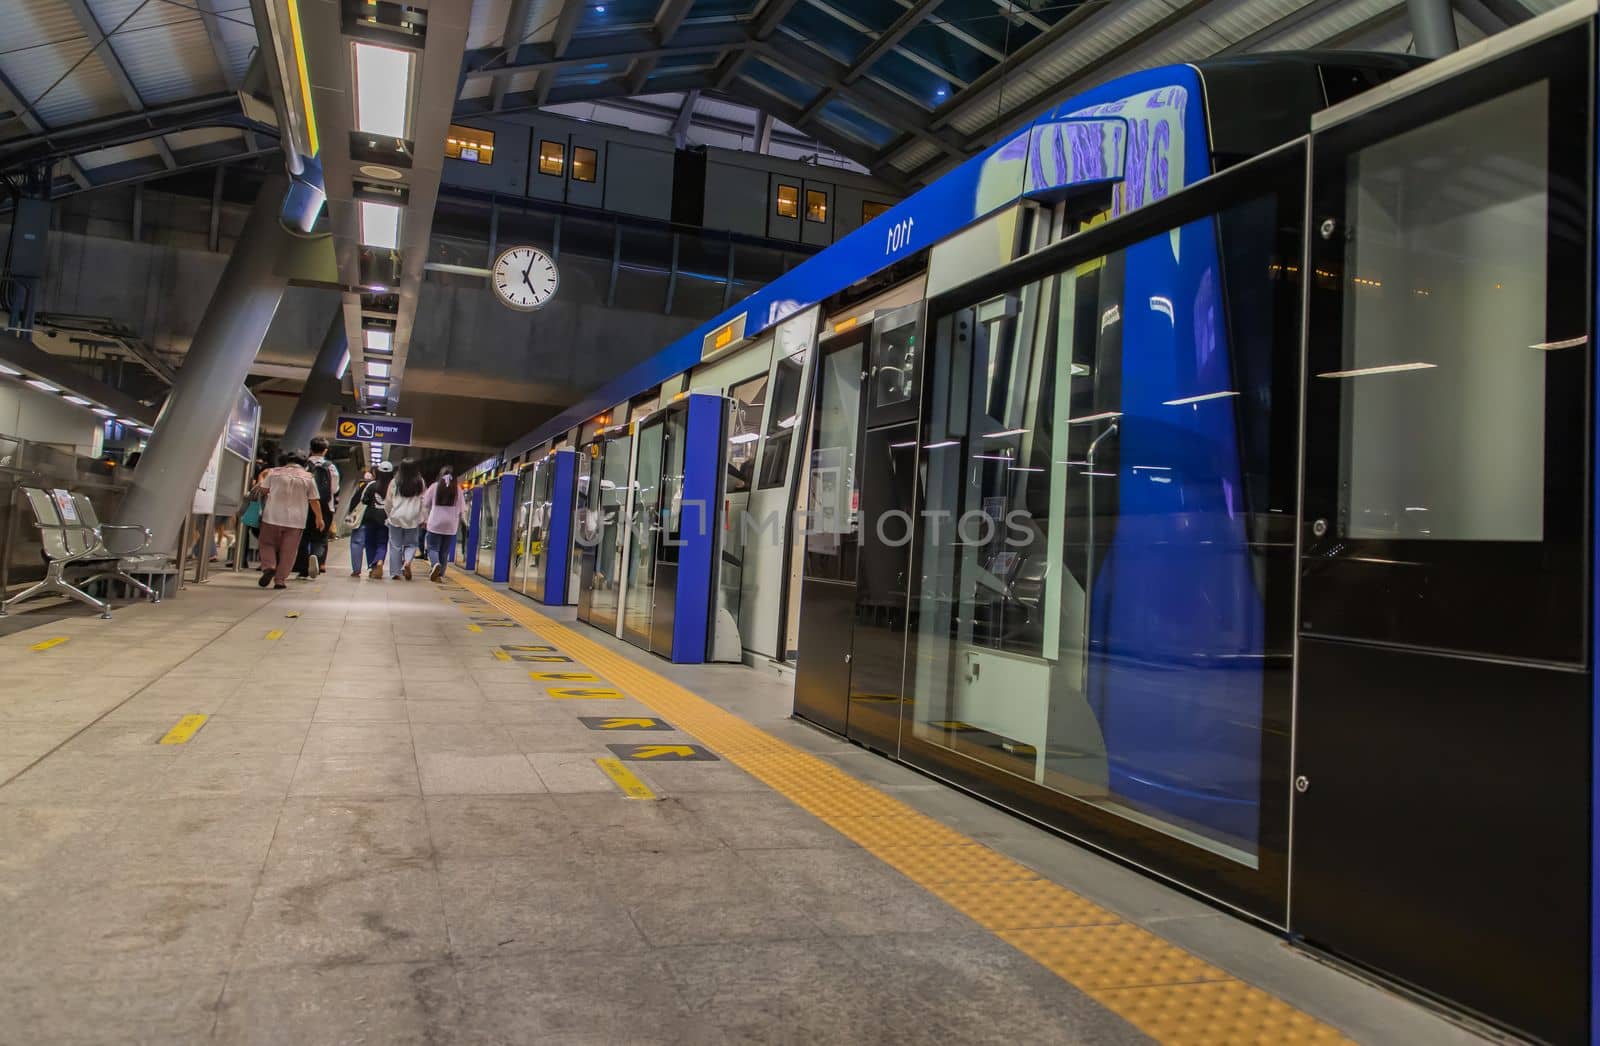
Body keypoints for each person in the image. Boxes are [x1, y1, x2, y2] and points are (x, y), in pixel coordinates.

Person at [254, 452, 323, 590]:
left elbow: (264, 490)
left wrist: (261, 477)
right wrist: (319, 518)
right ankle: (280, 580)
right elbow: (314, 500)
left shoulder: (274, 472)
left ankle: (269, 566)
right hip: (296, 520)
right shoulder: (308, 477)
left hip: (272, 516)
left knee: (266, 543)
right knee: (289, 551)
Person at [294, 436, 340, 580]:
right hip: (326, 506)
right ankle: (316, 557)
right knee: (320, 537)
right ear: (325, 451)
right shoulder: (331, 467)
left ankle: (302, 568)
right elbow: (334, 488)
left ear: (310, 449)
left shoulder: (304, 465)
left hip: (304, 505)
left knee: (303, 536)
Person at [421, 468, 467, 582]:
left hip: (435, 522)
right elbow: (462, 509)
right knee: (444, 551)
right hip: (450, 524)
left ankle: (435, 564)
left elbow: (425, 503)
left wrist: (424, 519)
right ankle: (440, 574)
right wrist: (465, 522)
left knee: (432, 548)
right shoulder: (457, 489)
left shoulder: (434, 487)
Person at [385, 457, 426, 580]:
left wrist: (389, 514)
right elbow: (423, 502)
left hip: (396, 517)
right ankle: (407, 562)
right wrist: (423, 518)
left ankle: (395, 572)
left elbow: (388, 501)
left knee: (395, 545)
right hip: (412, 518)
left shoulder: (395, 482)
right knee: (411, 544)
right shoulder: (421, 482)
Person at [358, 462, 395, 578]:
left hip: (371, 518)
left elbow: (363, 500)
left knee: (369, 543)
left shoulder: (372, 485)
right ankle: (379, 561)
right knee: (382, 543)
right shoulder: (393, 486)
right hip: (386, 518)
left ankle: (373, 567)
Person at [345, 468, 376, 576]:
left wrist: (351, 513)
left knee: (357, 543)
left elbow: (355, 500)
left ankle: (356, 569)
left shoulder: (366, 486)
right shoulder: (387, 486)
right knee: (374, 544)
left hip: (363, 519)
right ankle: (374, 567)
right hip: (379, 520)